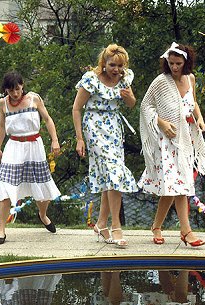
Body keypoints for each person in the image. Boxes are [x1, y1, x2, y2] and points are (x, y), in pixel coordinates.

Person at [138, 42, 205, 247]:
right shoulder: (161, 81)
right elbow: (145, 106)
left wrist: (200, 118)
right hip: (166, 140)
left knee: (175, 187)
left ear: (186, 62)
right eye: (171, 63)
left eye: (178, 63)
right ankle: (186, 232)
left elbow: (193, 103)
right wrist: (161, 123)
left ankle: (156, 226)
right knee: (179, 186)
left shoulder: (190, 79)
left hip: (185, 139)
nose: (174, 67)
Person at [73, 44, 138, 248]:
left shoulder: (125, 78)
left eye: (119, 65)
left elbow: (131, 104)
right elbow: (76, 108)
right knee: (114, 172)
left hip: (114, 128)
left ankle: (101, 224)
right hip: (94, 126)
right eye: (112, 65)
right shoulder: (91, 79)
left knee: (109, 176)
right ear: (104, 63)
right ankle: (116, 225)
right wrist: (80, 138)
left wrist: (129, 98)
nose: (116, 69)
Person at [0, 71, 61, 245]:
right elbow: (2, 126)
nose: (15, 93)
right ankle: (1, 230)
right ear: (6, 90)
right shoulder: (3, 103)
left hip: (34, 145)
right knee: (5, 187)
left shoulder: (34, 99)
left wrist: (54, 140)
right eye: (11, 90)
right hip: (13, 147)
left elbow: (47, 119)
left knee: (42, 185)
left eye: (17, 89)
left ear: (22, 85)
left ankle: (43, 215)